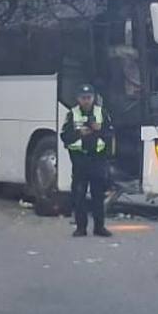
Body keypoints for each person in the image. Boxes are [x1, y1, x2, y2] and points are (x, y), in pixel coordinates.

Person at [62, 83, 114, 237]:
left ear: (93, 98)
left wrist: (100, 130)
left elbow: (110, 134)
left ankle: (99, 227)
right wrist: (79, 133)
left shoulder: (102, 113)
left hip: (97, 160)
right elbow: (64, 137)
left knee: (98, 196)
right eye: (83, 98)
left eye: (89, 97)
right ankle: (80, 228)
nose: (86, 101)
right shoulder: (72, 114)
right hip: (80, 161)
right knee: (79, 196)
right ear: (78, 99)